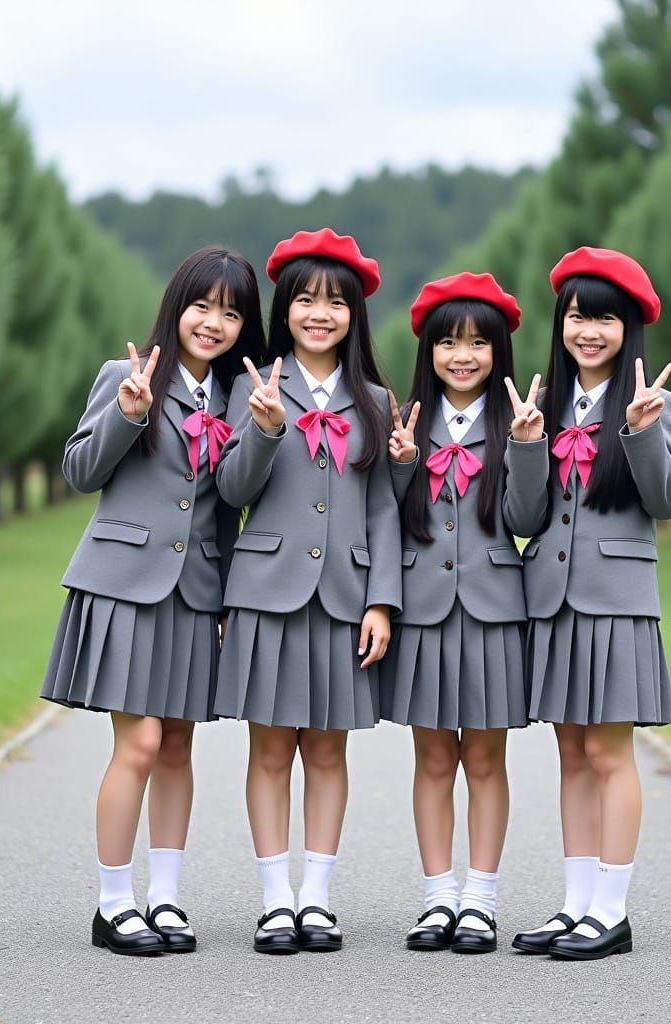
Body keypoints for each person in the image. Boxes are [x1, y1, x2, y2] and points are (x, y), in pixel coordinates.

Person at [40, 247, 266, 956]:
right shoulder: (125, 376)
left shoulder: (237, 396)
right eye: (203, 305)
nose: (214, 322)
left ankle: (165, 899)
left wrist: (263, 433)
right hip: (125, 583)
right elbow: (80, 470)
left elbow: (232, 503)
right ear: (178, 306)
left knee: (175, 747)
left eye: (231, 312)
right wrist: (128, 416)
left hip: (196, 589)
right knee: (137, 743)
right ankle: (113, 905)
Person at [213, 228, 401, 954]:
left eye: (334, 301)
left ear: (354, 313)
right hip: (264, 591)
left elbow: (384, 506)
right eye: (305, 299)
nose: (319, 313)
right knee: (268, 752)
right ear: (284, 307)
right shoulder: (249, 387)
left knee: (327, 752)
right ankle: (273, 901)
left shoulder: (377, 401)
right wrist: (261, 432)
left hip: (346, 598)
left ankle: (316, 899)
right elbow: (231, 490)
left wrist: (382, 599)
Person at [509, 246, 671, 961]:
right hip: (552, 601)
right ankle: (575, 905)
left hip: (617, 601)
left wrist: (642, 433)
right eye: (579, 317)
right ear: (561, 323)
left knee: (610, 753)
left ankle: (611, 911)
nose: (589, 331)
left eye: (606, 319)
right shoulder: (545, 405)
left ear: (629, 330)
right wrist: (526, 446)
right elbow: (524, 518)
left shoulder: (654, 404)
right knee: (571, 753)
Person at [381, 272, 545, 954]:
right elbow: (383, 518)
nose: (463, 354)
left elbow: (525, 519)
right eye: (449, 341)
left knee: (484, 757)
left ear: (499, 351)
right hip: (421, 607)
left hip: (493, 608)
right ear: (429, 350)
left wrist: (531, 449)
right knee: (431, 759)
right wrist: (402, 465)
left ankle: (480, 899)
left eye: (479, 342)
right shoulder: (403, 422)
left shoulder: (517, 424)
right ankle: (437, 897)